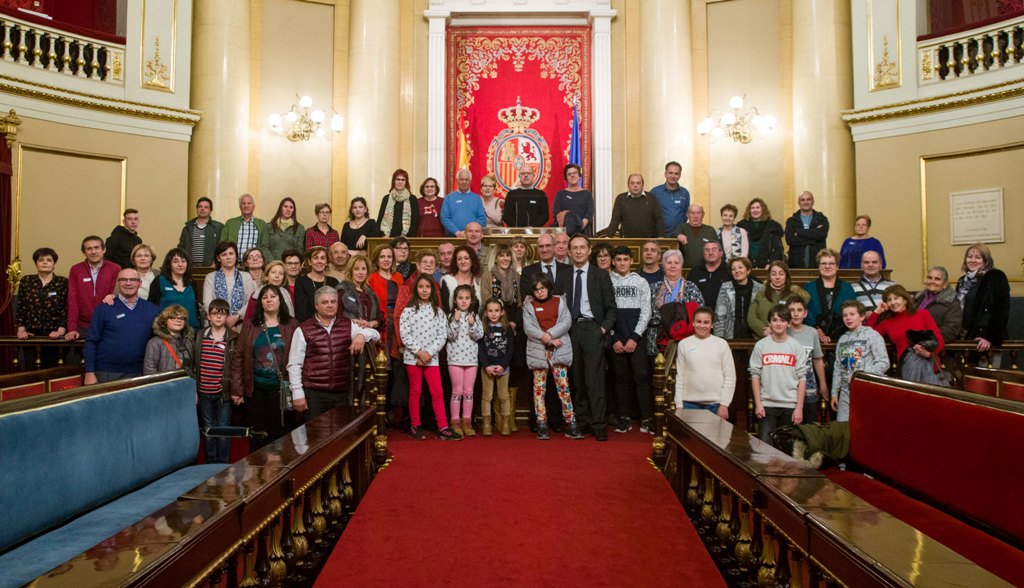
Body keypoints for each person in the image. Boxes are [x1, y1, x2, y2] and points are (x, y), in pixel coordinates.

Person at [288, 286, 380, 420]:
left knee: (340, 435)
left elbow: (376, 335)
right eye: (325, 302)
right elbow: (295, 364)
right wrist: (297, 393)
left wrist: (361, 335)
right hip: (314, 393)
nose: (330, 305)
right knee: (315, 436)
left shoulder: (347, 324)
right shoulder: (303, 329)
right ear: (316, 305)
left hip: (341, 392)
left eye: (333, 302)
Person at [232, 284, 300, 450]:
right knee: (258, 435)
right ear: (260, 302)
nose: (269, 300)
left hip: (282, 389)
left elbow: (300, 357)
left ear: (280, 300)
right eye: (265, 297)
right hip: (255, 390)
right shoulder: (250, 325)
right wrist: (237, 389)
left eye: (273, 296)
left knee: (280, 435)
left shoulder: (292, 325)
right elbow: (238, 357)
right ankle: (258, 472)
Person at [566, 235, 617, 441]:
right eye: (574, 248)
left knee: (594, 379)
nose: (578, 251)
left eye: (582, 247)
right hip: (571, 330)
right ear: (569, 252)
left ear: (589, 251)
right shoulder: (563, 275)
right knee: (576, 379)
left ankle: (599, 424)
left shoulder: (600, 275)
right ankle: (582, 422)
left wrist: (602, 330)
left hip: (594, 329)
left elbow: (611, 308)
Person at [522, 273, 583, 440]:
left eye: (543, 288)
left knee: (563, 388)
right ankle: (541, 423)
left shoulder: (559, 301)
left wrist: (550, 334)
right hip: (538, 350)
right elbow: (528, 328)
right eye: (536, 289)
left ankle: (571, 422)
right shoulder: (529, 305)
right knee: (539, 389)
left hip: (559, 350)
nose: (540, 292)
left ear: (548, 288)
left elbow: (566, 321)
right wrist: (546, 337)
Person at [400, 275, 461, 440]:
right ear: (416, 289)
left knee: (437, 392)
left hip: (431, 358)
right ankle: (415, 426)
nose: (424, 290)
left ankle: (443, 427)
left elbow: (442, 336)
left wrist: (428, 353)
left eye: (428, 286)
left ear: (432, 290)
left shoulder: (438, 311)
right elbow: (405, 334)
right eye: (421, 287)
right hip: (413, 357)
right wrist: (419, 352)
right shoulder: (408, 311)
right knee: (415, 392)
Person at [83, 268, 161, 384]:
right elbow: (91, 342)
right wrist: (89, 372)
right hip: (106, 372)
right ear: (117, 283)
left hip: (140, 373)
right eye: (123, 279)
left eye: (133, 280)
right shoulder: (104, 309)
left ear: (140, 284)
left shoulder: (153, 310)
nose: (128, 283)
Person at [609, 246, 653, 434]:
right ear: (613, 261)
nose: (622, 263)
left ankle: (646, 417)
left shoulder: (641, 282)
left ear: (631, 261)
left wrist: (635, 337)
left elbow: (646, 311)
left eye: (625, 259)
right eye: (618, 260)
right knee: (620, 379)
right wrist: (614, 338)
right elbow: (605, 311)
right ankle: (623, 417)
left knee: (641, 378)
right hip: (617, 339)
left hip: (637, 338)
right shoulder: (608, 281)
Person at [749, 304, 808, 442]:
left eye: (782, 320)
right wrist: (758, 403)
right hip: (767, 405)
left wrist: (799, 408)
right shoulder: (761, 345)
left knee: (787, 450)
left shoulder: (796, 346)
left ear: (788, 323)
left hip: (790, 406)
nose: (778, 323)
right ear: (769, 323)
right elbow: (755, 376)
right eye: (775, 320)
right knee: (765, 447)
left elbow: (802, 379)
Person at [868, 284, 945, 383]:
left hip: (930, 369)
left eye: (896, 298)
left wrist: (929, 354)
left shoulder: (922, 314)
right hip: (907, 370)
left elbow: (939, 340)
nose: (893, 302)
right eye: (889, 300)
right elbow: (868, 335)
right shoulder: (887, 323)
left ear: (904, 299)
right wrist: (877, 312)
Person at [194, 298, 237, 463]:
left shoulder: (233, 337)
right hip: (204, 391)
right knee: (208, 427)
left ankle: (223, 461)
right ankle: (210, 460)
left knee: (224, 427)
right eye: (215, 314)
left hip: (223, 392)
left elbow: (235, 366)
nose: (219, 317)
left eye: (223, 314)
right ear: (208, 316)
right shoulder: (200, 336)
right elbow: (194, 364)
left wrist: (234, 390)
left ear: (227, 317)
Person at [831, 300, 889, 421]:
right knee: (842, 428)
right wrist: (834, 393)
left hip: (866, 389)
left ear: (862, 316)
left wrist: (859, 376)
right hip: (845, 393)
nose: (848, 318)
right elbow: (837, 367)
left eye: (852, 314)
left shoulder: (872, 335)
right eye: (845, 315)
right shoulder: (842, 339)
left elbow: (883, 363)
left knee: (865, 426)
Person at [674, 307, 734, 420]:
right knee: (690, 438)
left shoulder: (722, 344)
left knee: (714, 438)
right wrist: (679, 405)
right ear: (693, 323)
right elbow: (679, 377)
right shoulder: (684, 344)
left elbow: (730, 376)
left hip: (715, 404)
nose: (702, 326)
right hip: (689, 403)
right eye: (698, 321)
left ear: (712, 325)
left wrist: (724, 404)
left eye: (706, 322)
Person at [15, 247, 68, 366]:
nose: (45, 262)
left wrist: (60, 331)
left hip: (54, 335)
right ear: (36, 263)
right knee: (31, 371)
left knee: (52, 372)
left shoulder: (63, 282)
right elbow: (21, 306)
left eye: (49, 260)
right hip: (31, 334)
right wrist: (21, 329)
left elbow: (66, 307)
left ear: (54, 264)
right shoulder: (27, 281)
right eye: (41, 260)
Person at [646, 249, 704, 356]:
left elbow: (699, 313)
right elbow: (646, 313)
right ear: (663, 266)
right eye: (669, 263)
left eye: (676, 263)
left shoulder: (691, 287)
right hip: (657, 340)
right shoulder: (654, 288)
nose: (672, 266)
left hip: (686, 340)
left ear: (681, 266)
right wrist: (666, 319)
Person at [956, 243, 1010, 353]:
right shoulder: (962, 281)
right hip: (965, 336)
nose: (972, 260)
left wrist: (989, 336)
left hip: (986, 340)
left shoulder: (995, 276)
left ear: (986, 260)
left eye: (978, 257)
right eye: (969, 257)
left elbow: (1001, 310)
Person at [66, 235, 120, 341]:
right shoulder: (76, 270)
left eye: (96, 248)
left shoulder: (115, 268)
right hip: (82, 326)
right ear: (84, 252)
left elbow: (115, 295)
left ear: (104, 249)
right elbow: (73, 300)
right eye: (89, 249)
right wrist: (72, 328)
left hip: (107, 325)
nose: (93, 252)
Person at [446, 285, 483, 436]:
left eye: (467, 298)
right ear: (455, 300)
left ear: (471, 300)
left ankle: (467, 422)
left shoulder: (474, 317)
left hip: (471, 361)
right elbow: (449, 335)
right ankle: (455, 421)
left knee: (469, 392)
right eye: (460, 298)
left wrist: (472, 323)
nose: (463, 301)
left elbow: (479, 335)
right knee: (457, 391)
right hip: (455, 360)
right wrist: (455, 321)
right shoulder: (451, 316)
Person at [786, 296, 829, 425]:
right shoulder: (782, 331)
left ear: (805, 313)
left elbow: (817, 359)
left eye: (799, 310)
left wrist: (823, 384)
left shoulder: (812, 332)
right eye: (792, 310)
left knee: (810, 426)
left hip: (809, 389)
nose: (795, 313)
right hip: (788, 390)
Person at [804, 249, 857, 344]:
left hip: (843, 337)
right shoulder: (809, 287)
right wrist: (816, 330)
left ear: (837, 266)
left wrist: (836, 332)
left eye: (831, 263)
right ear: (819, 266)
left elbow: (852, 311)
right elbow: (805, 310)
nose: (827, 266)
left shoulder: (847, 288)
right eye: (823, 263)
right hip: (814, 336)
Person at [479, 297, 514, 436]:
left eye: (496, 311)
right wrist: (486, 366)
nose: (493, 313)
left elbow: (511, 349)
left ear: (502, 312)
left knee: (504, 396)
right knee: (487, 396)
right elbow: (481, 349)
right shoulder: (483, 328)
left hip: (503, 368)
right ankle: (486, 424)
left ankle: (505, 423)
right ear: (486, 313)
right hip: (487, 368)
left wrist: (502, 365)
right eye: (490, 311)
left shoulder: (507, 329)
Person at [204, 241, 257, 331]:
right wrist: (224, 320)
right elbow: (207, 304)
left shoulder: (246, 276)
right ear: (218, 258)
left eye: (231, 254)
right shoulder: (210, 277)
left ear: (236, 256)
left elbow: (251, 302)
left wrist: (236, 317)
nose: (228, 257)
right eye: (224, 254)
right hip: (216, 325)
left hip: (241, 325)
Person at [748, 261, 808, 338]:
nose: (777, 277)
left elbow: (797, 317)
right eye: (773, 274)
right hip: (763, 338)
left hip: (788, 338)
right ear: (769, 276)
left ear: (786, 276)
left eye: (781, 274)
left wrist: (780, 330)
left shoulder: (793, 296)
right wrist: (764, 330)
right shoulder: (761, 294)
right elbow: (751, 317)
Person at [148, 248, 202, 329]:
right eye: (176, 261)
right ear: (169, 265)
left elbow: (196, 307)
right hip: (165, 332)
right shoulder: (159, 281)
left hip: (192, 331)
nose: (180, 264)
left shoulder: (192, 282)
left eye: (183, 261)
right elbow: (151, 307)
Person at [714, 257, 764, 339]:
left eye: (740, 267)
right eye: (733, 269)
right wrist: (719, 338)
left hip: (755, 337)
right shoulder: (725, 287)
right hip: (730, 337)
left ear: (748, 270)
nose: (737, 271)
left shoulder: (760, 288)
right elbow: (720, 315)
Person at [604, 173, 664, 238]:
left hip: (648, 241)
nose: (635, 185)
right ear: (628, 185)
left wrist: (661, 237)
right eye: (632, 183)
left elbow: (659, 219)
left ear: (642, 185)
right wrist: (608, 237)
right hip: (627, 240)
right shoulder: (621, 198)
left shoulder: (651, 197)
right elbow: (615, 220)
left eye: (638, 183)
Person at [143, 304, 196, 376]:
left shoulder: (189, 341)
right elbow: (149, 372)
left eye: (182, 318)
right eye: (173, 317)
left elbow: (194, 368)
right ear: (165, 320)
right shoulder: (155, 343)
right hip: (165, 386)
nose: (178, 320)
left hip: (186, 384)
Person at [368, 245, 403, 352]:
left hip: (397, 321)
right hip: (380, 322)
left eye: (389, 256)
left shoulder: (398, 276)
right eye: (382, 256)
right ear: (376, 259)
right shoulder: (371, 278)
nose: (386, 259)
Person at [916, 266, 963, 344]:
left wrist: (925, 338)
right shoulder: (918, 298)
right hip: (913, 342)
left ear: (945, 284)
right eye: (929, 278)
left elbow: (951, 330)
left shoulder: (952, 303)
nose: (932, 281)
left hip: (933, 346)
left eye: (937, 279)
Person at [293, 246, 339, 322]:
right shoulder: (301, 282)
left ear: (327, 262)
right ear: (310, 262)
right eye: (315, 258)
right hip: (309, 325)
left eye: (322, 258)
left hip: (332, 324)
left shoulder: (334, 282)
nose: (319, 261)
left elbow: (337, 308)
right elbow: (301, 312)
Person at [785, 191, 829, 269]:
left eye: (808, 199)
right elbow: (790, 240)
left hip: (818, 264)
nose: (806, 202)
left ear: (813, 202)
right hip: (796, 264)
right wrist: (813, 239)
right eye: (802, 200)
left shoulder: (821, 219)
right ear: (799, 203)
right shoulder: (791, 221)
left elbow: (821, 235)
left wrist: (798, 232)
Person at [221, 194, 271, 262]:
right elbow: (222, 244)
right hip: (233, 264)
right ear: (240, 206)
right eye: (243, 203)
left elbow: (264, 247)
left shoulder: (262, 224)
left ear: (253, 206)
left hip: (253, 264)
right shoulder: (230, 223)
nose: (246, 206)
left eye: (249, 203)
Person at [737, 197, 784, 268]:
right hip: (746, 266)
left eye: (757, 207)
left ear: (763, 210)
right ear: (749, 210)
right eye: (752, 208)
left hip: (767, 266)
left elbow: (778, 249)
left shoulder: (772, 226)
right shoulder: (741, 226)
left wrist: (771, 264)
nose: (755, 210)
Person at [338, 254, 381, 331]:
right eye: (356, 269)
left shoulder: (370, 292)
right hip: (349, 334)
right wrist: (353, 321)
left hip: (369, 335)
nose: (361, 272)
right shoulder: (343, 291)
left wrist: (371, 324)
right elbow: (337, 317)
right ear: (351, 271)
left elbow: (380, 318)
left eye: (363, 269)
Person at [178, 197, 224, 267]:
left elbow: (222, 248)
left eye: (206, 207)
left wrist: (216, 262)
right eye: (200, 206)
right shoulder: (187, 228)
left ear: (210, 210)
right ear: (196, 209)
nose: (202, 209)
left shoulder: (218, 227)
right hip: (190, 267)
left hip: (211, 267)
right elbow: (181, 248)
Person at [441, 167, 486, 237]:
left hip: (472, 237)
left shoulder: (477, 198)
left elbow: (482, 218)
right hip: (453, 237)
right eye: (461, 179)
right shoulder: (448, 198)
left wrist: (469, 232)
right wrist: (457, 232)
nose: (464, 182)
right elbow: (445, 218)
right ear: (457, 180)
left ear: (470, 181)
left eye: (466, 180)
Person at [650, 161, 691, 238]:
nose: (673, 176)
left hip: (678, 236)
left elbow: (686, 214)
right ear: (665, 174)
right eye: (670, 173)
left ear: (680, 175)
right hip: (659, 236)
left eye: (676, 174)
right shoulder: (655, 192)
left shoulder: (684, 193)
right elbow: (650, 214)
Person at [552, 163, 594, 235]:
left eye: (575, 173)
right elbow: (556, 212)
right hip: (564, 233)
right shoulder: (560, 194)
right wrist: (569, 228)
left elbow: (589, 213)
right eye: (569, 174)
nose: (572, 175)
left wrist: (580, 227)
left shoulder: (587, 194)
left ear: (579, 175)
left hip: (583, 232)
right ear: (566, 177)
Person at [687, 241, 730, 309]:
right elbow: (688, 294)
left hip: (724, 315)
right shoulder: (695, 272)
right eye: (707, 250)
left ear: (721, 253)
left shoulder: (729, 271)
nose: (710, 253)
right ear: (704, 254)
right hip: (700, 315)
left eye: (714, 249)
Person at [378, 169, 420, 238]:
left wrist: (408, 235)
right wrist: (382, 235)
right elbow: (380, 219)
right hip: (387, 237)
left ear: (406, 182)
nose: (400, 182)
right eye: (398, 179)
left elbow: (415, 221)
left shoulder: (412, 199)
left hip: (406, 238)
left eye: (403, 180)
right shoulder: (386, 198)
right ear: (393, 181)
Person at [440, 245, 481, 312]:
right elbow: (446, 309)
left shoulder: (479, 280)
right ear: (456, 262)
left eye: (466, 258)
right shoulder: (447, 280)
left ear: (472, 261)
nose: (463, 262)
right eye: (459, 259)